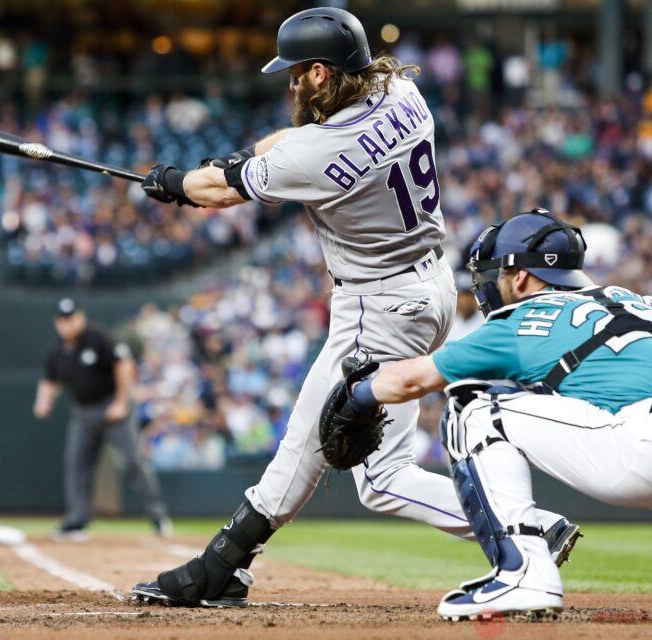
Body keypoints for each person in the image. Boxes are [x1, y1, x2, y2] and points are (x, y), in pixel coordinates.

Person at [132, 8, 578, 608]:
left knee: (345, 460)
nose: (291, 83)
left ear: (320, 73)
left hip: (379, 303)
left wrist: (174, 181)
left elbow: (223, 190)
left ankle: (224, 565)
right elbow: (288, 148)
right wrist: (227, 167)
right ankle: (229, 564)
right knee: (369, 467)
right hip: (430, 286)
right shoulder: (401, 90)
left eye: (297, 74)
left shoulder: (315, 152)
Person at [345, 209, 652, 618]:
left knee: (471, 407)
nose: (492, 286)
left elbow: (411, 381)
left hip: (640, 445)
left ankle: (524, 572)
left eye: (496, 275)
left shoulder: (522, 319)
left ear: (521, 276)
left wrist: (358, 395)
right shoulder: (635, 300)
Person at [34, 297, 171, 541]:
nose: (67, 324)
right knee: (76, 464)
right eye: (62, 319)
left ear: (81, 317)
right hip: (83, 412)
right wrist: (44, 400)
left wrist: (121, 402)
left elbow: (124, 366)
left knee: (133, 462)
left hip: (111, 409)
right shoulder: (57, 351)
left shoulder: (98, 338)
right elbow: (50, 381)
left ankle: (158, 517)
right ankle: (76, 520)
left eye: (71, 318)